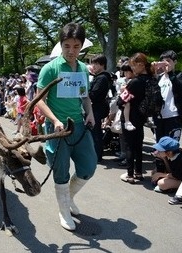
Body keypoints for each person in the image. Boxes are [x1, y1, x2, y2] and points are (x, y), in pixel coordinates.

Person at [36, 22, 97, 231]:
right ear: (61, 45)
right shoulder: (50, 68)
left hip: (79, 126)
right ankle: (63, 211)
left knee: (89, 167)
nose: (71, 51)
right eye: (67, 46)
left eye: (76, 46)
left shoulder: (82, 68)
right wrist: (54, 120)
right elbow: (40, 100)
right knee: (60, 171)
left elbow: (84, 96)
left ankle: (68, 198)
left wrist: (90, 113)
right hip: (57, 130)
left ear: (81, 47)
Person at [118, 53, 151, 184]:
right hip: (142, 117)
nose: (132, 68)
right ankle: (138, 172)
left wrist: (121, 96)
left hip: (130, 118)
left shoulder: (135, 82)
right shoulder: (149, 79)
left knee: (129, 146)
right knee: (138, 145)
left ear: (140, 65)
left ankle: (130, 174)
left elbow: (122, 101)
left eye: (133, 65)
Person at [152, 50, 182, 142]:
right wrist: (152, 71)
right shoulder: (159, 77)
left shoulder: (180, 75)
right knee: (160, 146)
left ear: (175, 62)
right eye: (163, 62)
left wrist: (170, 73)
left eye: (168, 61)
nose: (166, 64)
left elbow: (181, 88)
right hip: (159, 116)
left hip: (174, 116)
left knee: (172, 145)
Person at [88, 54, 110, 163]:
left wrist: (86, 91)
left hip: (97, 107)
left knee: (96, 133)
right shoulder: (99, 76)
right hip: (97, 107)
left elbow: (94, 94)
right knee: (94, 132)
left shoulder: (102, 78)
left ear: (102, 65)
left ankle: (97, 155)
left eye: (96, 63)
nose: (94, 66)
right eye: (93, 63)